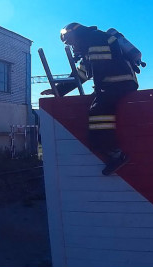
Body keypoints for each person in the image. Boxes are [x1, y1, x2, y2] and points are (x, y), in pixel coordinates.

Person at [58, 19, 144, 174]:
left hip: (119, 82)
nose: (72, 46)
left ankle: (116, 154)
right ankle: (105, 148)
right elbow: (82, 74)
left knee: (98, 111)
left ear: (77, 34)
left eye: (71, 42)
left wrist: (98, 91)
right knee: (97, 106)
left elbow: (99, 68)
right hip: (113, 83)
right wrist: (58, 90)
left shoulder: (95, 38)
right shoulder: (89, 43)